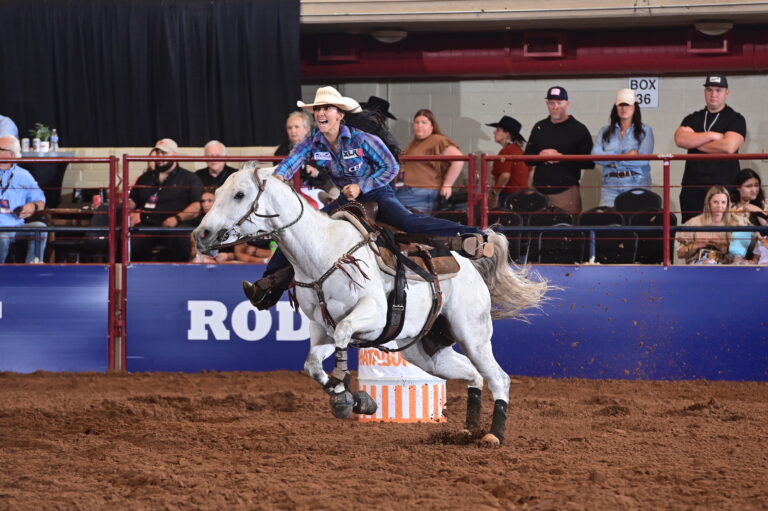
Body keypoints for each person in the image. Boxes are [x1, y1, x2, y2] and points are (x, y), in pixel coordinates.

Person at [243, 86, 491, 309]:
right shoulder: (312, 143)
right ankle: (266, 288)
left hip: (376, 194)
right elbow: (291, 163)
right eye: (317, 108)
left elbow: (390, 167)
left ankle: (471, 233)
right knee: (301, 231)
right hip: (346, 200)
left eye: (327, 108)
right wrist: (276, 179)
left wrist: (362, 186)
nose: (321, 112)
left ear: (340, 114)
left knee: (407, 222)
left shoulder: (362, 139)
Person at [674, 74, 747, 222]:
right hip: (693, 186)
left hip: (724, 187)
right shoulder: (692, 118)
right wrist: (713, 135)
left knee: (723, 229)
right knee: (691, 228)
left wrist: (695, 142)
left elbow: (729, 146)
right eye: (709, 90)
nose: (713, 94)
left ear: (726, 93)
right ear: (705, 92)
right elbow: (680, 139)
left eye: (718, 90)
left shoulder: (736, 119)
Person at [128, 138, 203, 262]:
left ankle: (177, 272)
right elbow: (133, 202)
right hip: (149, 225)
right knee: (130, 243)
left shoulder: (190, 178)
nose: (160, 156)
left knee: (180, 243)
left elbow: (196, 206)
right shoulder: (145, 178)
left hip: (177, 226)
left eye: (164, 153)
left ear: (175, 155)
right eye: (158, 153)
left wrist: (176, 218)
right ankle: (137, 272)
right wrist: (123, 203)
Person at [524, 86, 594, 214]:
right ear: (547, 104)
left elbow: (589, 162)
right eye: (551, 103)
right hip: (539, 190)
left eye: (559, 103)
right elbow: (527, 158)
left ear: (567, 104)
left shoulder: (578, 129)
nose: (555, 107)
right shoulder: (539, 127)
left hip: (566, 190)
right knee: (536, 224)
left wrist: (562, 158)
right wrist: (540, 156)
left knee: (566, 224)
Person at [591, 88, 655, 207]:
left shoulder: (645, 131)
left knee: (635, 217)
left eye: (627, 105)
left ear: (634, 107)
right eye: (621, 105)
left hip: (636, 184)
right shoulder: (604, 131)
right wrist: (626, 156)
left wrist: (612, 162)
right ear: (616, 107)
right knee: (608, 217)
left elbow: (643, 160)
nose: (624, 108)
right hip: (610, 186)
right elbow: (595, 156)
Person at [396, 109, 465, 214]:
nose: (419, 125)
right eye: (417, 122)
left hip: (422, 192)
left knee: (412, 219)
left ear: (432, 126)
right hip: (405, 190)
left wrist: (447, 184)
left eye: (424, 122)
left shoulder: (438, 140)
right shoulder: (414, 143)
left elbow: (458, 159)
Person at [274, 110, 339, 206]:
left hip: (316, 190)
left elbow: (330, 175)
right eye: (289, 128)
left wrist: (316, 173)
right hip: (288, 192)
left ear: (307, 129)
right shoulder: (281, 150)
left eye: (296, 127)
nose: (293, 131)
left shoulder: (320, 146)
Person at [0, 135, 47, 263]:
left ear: (11, 154)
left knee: (40, 227)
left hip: (16, 226)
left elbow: (40, 201)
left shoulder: (24, 175)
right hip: (1, 231)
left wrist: (33, 206)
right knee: (2, 238)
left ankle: (32, 268)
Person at [676, 185, 742, 264]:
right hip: (697, 266)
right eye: (715, 202)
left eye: (723, 202)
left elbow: (739, 255)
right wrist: (695, 245)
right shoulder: (693, 223)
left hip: (724, 267)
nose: (719, 206)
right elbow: (680, 253)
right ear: (708, 203)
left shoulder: (735, 222)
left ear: (728, 204)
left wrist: (721, 246)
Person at [486, 115, 531, 209]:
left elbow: (505, 176)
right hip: (522, 196)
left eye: (498, 130)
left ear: (507, 134)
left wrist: (495, 192)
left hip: (509, 196)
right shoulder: (519, 150)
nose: (494, 132)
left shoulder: (506, 151)